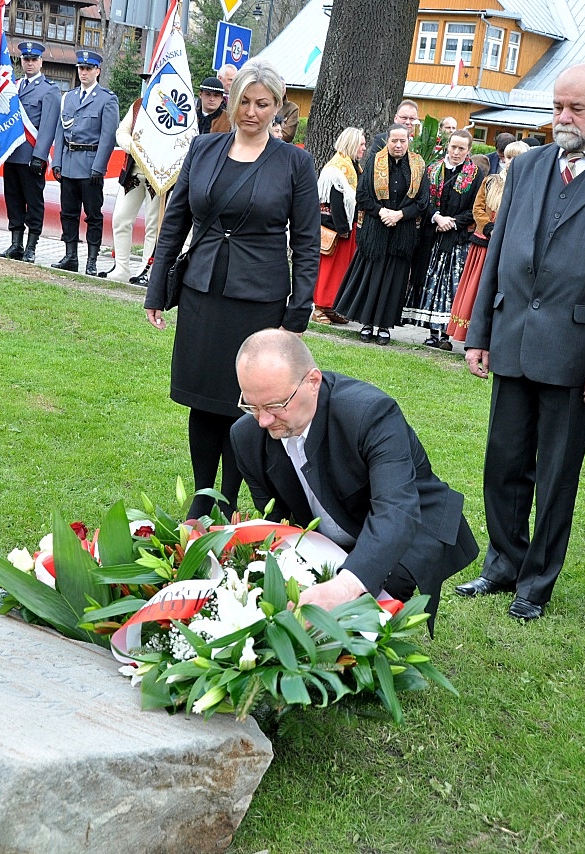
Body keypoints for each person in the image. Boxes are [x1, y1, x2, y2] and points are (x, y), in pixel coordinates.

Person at [455, 63, 585, 620]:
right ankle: (504, 562)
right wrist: (480, 332)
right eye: (557, 107)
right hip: (513, 339)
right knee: (503, 463)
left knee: (556, 474)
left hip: (575, 354)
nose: (563, 118)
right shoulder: (528, 166)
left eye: (576, 109)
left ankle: (536, 581)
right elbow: (498, 251)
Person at [143, 59, 320, 521]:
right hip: (202, 293)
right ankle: (203, 497)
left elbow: (306, 242)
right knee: (203, 399)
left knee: (248, 403)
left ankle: (232, 497)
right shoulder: (203, 148)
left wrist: (297, 314)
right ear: (232, 100)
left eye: (263, 104)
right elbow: (175, 221)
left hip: (259, 301)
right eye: (244, 101)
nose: (252, 112)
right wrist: (156, 289)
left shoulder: (295, 163)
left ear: (277, 106)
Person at [231, 329, 478, 624]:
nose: (263, 420)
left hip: (411, 520)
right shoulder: (246, 437)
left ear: (313, 382)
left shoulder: (371, 414)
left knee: (376, 589)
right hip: (330, 531)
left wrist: (344, 586)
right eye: (251, 406)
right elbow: (280, 525)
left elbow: (396, 510)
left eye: (275, 405)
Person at [332, 124, 429, 346]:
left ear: (409, 141)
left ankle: (384, 326)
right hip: (376, 228)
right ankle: (366, 323)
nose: (398, 145)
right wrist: (381, 212)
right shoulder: (375, 162)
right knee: (371, 276)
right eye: (394, 141)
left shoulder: (418, 165)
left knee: (394, 280)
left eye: (402, 141)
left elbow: (423, 202)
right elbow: (362, 195)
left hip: (402, 231)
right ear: (387, 141)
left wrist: (400, 215)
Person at [402, 129, 482, 349]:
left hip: (457, 239)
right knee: (430, 283)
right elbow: (423, 200)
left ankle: (446, 335)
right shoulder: (432, 170)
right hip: (432, 236)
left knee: (450, 288)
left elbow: (476, 208)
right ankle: (431, 333)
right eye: (453, 147)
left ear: (468, 150)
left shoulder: (476, 175)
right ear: (448, 146)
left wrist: (453, 222)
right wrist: (437, 217)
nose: (456, 152)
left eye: (461, 148)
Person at [447, 140, 527, 343]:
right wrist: (488, 227)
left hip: (508, 246)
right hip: (484, 243)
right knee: (476, 287)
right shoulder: (491, 181)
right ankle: (470, 335)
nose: (511, 162)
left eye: (517, 158)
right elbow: (478, 208)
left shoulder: (528, 188)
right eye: (508, 157)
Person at [51, 49, 119, 274]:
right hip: (69, 163)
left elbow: (108, 137)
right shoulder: (69, 97)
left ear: (97, 71)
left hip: (90, 164)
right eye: (81, 68)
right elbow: (60, 130)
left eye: (88, 68)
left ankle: (91, 260)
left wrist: (99, 167)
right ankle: (70, 256)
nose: (84, 72)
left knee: (93, 215)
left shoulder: (107, 99)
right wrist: (57, 161)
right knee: (68, 213)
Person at [0, 41, 60, 263]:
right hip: (12, 153)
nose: (30, 63)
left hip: (32, 155)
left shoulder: (50, 90)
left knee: (33, 202)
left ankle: (31, 246)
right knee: (13, 199)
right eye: (26, 59)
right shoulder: (13, 86)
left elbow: (48, 126)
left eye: (34, 59)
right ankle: (16, 243)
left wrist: (40, 155)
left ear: (41, 62)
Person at [108, 72, 164, 285]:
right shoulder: (138, 105)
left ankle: (146, 270)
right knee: (120, 218)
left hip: (157, 176)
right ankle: (121, 268)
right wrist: (133, 146)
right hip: (133, 171)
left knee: (153, 225)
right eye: (148, 80)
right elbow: (121, 131)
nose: (150, 84)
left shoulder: (173, 109)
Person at [311, 127, 364, 325]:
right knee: (328, 270)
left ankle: (332, 306)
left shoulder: (354, 166)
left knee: (341, 271)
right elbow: (335, 200)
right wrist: (342, 228)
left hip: (349, 227)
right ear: (352, 144)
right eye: (361, 144)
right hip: (336, 228)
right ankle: (319, 306)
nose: (364, 148)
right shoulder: (337, 168)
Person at [362, 99, 419, 166]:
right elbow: (372, 164)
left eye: (412, 119)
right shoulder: (381, 139)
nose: (408, 122)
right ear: (395, 118)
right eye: (404, 118)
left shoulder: (423, 142)